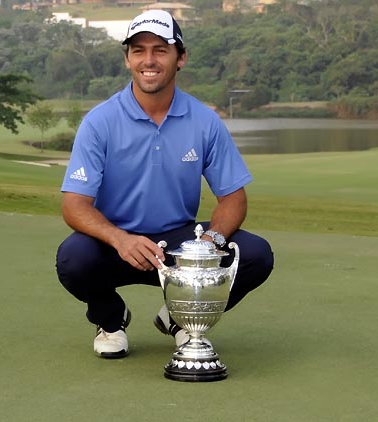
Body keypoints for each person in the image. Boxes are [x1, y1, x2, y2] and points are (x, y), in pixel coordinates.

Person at [55, 10, 274, 359]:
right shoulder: (100, 122)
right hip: (117, 243)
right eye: (139, 50)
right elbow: (74, 205)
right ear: (128, 59)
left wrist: (210, 241)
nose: (149, 60)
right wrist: (120, 239)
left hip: (179, 245)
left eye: (160, 49)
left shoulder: (204, 121)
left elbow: (233, 198)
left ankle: (179, 317)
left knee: (254, 255)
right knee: (73, 258)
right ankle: (110, 320)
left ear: (180, 58)